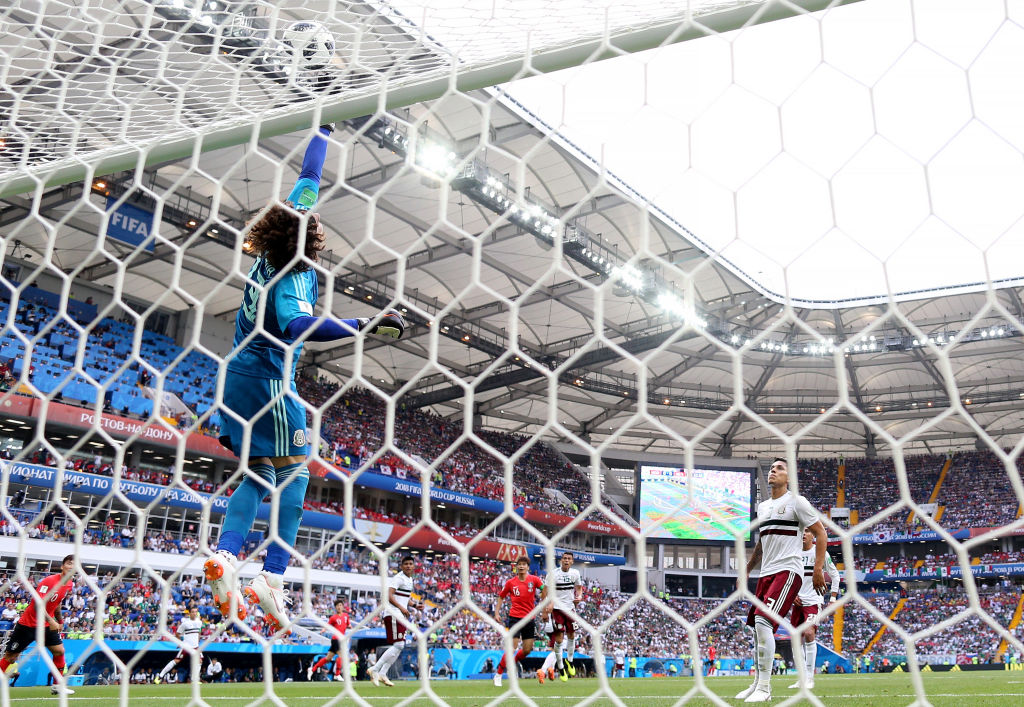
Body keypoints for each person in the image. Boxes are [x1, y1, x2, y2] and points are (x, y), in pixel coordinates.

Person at [203, 125, 407, 630]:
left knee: (260, 473)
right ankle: (270, 578)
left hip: (236, 382)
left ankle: (227, 559)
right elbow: (295, 324)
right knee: (296, 471)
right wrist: (363, 324)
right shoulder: (294, 270)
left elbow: (309, 176)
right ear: (309, 236)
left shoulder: (269, 251)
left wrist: (324, 128)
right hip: (272, 382)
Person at [735, 458, 827, 703]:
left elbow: (821, 532)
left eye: (780, 468)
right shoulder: (763, 507)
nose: (773, 471)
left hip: (788, 571)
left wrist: (818, 569)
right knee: (757, 629)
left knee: (764, 622)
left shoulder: (797, 502)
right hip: (766, 573)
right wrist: (746, 570)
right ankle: (756, 684)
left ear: (789, 478)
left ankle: (765, 689)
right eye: (772, 468)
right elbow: (762, 543)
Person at [0, 555, 77, 696]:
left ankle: (57, 686)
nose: (72, 566)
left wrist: (59, 620)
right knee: (11, 657)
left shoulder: (69, 584)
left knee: (59, 651)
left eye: (75, 564)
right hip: (28, 624)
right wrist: (52, 620)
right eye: (69, 563)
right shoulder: (49, 581)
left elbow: (57, 603)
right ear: (62, 566)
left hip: (45, 625)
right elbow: (37, 604)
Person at [787, 528, 841, 690]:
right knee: (795, 639)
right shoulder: (793, 554)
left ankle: (810, 678)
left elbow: (835, 576)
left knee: (810, 633)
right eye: (801, 531)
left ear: (813, 535)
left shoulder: (821, 554)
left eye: (807, 531)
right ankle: (802, 678)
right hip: (797, 602)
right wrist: (790, 595)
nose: (803, 534)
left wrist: (832, 599)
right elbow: (788, 578)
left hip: (813, 601)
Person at [493, 556, 546, 687]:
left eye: (524, 564)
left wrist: (544, 598)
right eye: (519, 564)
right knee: (512, 647)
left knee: (527, 650)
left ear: (528, 567)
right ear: (516, 567)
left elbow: (545, 589)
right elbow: (501, 596)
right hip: (515, 618)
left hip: (530, 619)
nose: (521, 566)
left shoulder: (534, 580)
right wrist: (496, 613)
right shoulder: (511, 582)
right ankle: (498, 674)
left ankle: (513, 663)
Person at [369, 556, 417, 687]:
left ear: (413, 566)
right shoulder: (398, 578)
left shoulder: (409, 580)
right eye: (405, 564)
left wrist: (415, 605)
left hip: (400, 614)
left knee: (400, 646)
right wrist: (402, 608)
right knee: (399, 645)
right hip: (393, 613)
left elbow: (404, 597)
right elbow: (388, 595)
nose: (408, 566)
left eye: (410, 564)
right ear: (401, 566)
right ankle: (375, 669)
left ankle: (383, 673)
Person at [541, 551, 583, 682]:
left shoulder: (575, 573)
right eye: (564, 558)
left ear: (572, 561)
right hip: (557, 610)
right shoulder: (553, 574)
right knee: (559, 640)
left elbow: (579, 587)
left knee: (572, 635)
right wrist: (544, 609)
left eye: (568, 559)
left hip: (570, 609)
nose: (566, 560)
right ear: (561, 560)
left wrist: (579, 596)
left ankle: (569, 661)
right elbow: (545, 591)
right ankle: (560, 667)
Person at [155, 606, 204, 683]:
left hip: (195, 647)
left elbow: (199, 632)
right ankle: (160, 676)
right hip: (186, 646)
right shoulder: (185, 624)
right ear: (189, 613)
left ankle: (194, 679)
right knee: (176, 661)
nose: (194, 613)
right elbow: (177, 633)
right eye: (193, 612)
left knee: (200, 661)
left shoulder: (199, 622)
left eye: (196, 612)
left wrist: (197, 641)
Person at [307, 599, 350, 681]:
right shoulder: (333, 617)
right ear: (335, 607)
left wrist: (350, 627)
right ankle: (337, 674)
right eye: (337, 606)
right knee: (342, 656)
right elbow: (327, 625)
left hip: (341, 639)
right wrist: (323, 630)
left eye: (340, 605)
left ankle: (312, 669)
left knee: (328, 659)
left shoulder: (346, 616)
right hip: (336, 639)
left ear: (343, 606)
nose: (339, 607)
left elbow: (348, 624)